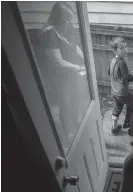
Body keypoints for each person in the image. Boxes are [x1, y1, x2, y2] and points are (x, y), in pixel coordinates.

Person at [38, 2, 85, 144]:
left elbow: (75, 47)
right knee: (65, 102)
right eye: (68, 18)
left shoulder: (69, 27)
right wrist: (79, 67)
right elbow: (58, 62)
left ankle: (77, 126)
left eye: (71, 18)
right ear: (58, 18)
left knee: (75, 99)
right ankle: (68, 133)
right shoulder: (48, 33)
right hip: (58, 74)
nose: (71, 21)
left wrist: (87, 62)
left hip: (73, 70)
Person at [108, 37, 133, 135]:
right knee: (131, 105)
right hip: (123, 93)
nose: (125, 50)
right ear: (115, 50)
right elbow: (128, 78)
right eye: (121, 48)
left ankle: (114, 128)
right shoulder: (121, 62)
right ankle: (127, 123)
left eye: (125, 47)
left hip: (114, 91)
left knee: (117, 108)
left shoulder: (113, 60)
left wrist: (119, 77)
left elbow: (109, 72)